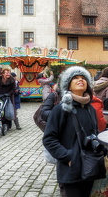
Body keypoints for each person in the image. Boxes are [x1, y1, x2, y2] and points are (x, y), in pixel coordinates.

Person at [43, 66, 104, 197]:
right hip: (70, 169)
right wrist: (68, 157)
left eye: (83, 78)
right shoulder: (61, 109)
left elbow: (96, 133)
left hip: (89, 166)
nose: (80, 80)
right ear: (68, 86)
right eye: (75, 78)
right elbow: (49, 139)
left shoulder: (90, 109)